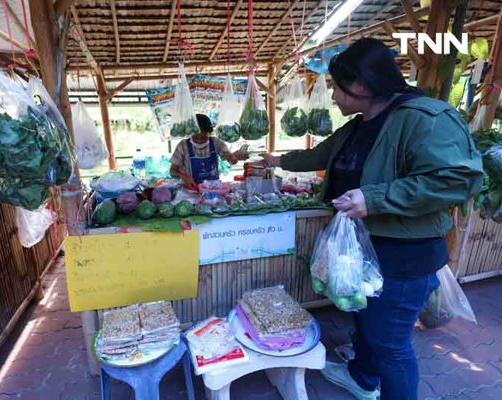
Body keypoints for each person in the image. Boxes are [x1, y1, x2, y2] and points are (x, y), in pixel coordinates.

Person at [261, 38, 483, 400]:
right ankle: (363, 378)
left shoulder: (427, 119)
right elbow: (323, 154)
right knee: (365, 321)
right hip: (364, 251)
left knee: (391, 345)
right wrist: (278, 162)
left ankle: (382, 382)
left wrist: (374, 198)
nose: (332, 96)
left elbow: (455, 181)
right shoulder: (361, 123)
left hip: (405, 257)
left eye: (336, 87)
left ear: (362, 85)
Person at [170, 113, 247, 188]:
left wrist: (234, 157)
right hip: (190, 188)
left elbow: (230, 158)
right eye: (195, 138)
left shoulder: (216, 142)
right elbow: (172, 171)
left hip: (213, 188)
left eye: (203, 138)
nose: (199, 141)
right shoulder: (183, 146)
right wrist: (183, 176)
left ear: (209, 133)